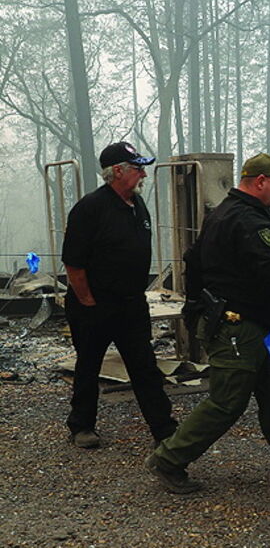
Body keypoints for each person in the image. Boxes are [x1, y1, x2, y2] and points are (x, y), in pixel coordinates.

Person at [145, 153, 270, 494]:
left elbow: (193, 259)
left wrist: (195, 304)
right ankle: (169, 459)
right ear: (260, 182)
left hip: (250, 321)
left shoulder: (223, 213)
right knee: (227, 401)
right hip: (237, 325)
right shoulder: (247, 219)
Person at [61, 141, 178, 449]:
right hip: (94, 304)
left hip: (131, 304)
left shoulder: (137, 205)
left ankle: (165, 430)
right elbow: (73, 263)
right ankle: (81, 426)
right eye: (138, 169)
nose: (143, 175)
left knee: (145, 367)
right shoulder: (89, 209)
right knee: (89, 365)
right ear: (117, 171)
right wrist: (87, 301)